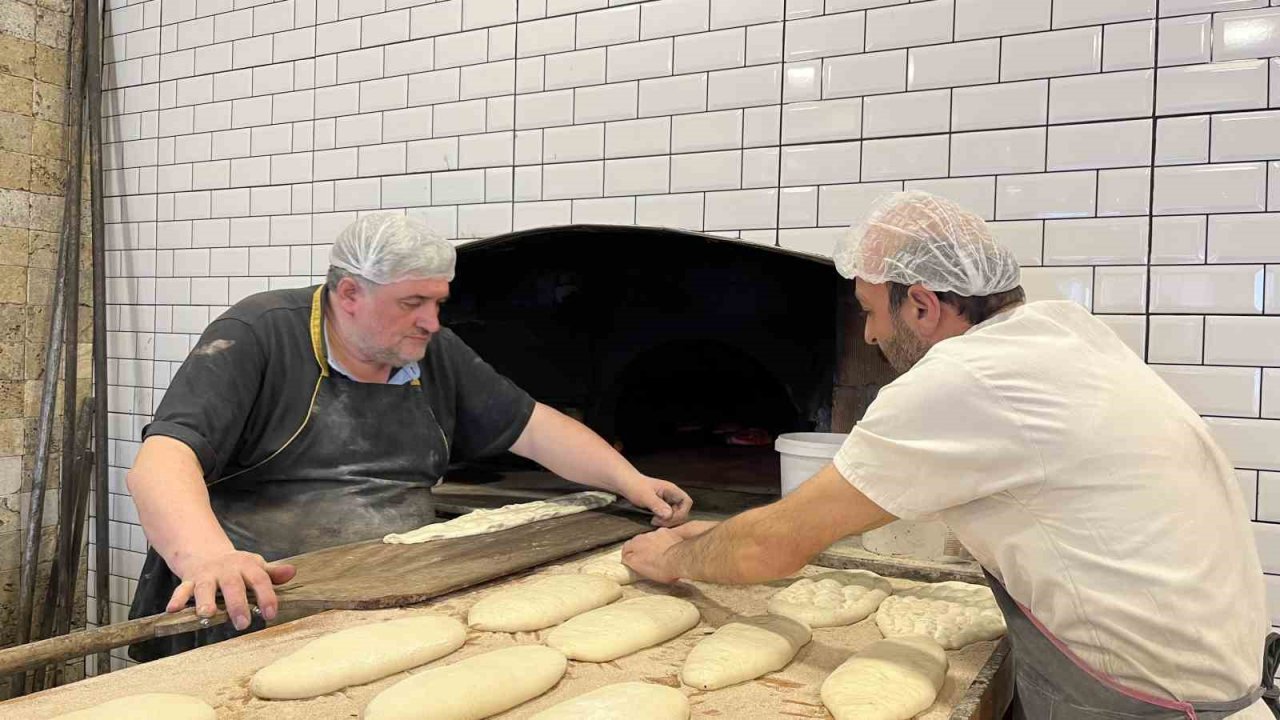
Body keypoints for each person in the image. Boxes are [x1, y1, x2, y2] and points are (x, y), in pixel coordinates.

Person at [622, 191, 1279, 719]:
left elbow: (779, 545)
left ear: (923, 306)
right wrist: (732, 535)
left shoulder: (963, 380)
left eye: (870, 312)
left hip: (1146, 705)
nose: (872, 335)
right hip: (1212, 678)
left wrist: (681, 555)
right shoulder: (1061, 332)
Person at [126, 213, 692, 659]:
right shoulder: (259, 334)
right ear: (349, 294)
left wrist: (631, 480)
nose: (432, 321)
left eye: (437, 302)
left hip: (398, 589)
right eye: (412, 303)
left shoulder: (429, 351)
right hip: (263, 599)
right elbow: (163, 460)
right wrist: (208, 559)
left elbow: (532, 426)